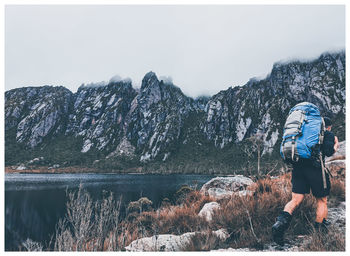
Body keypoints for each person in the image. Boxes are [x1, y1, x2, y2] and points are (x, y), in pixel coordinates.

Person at [272, 117, 339, 246]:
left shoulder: (302, 132)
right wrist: (336, 144)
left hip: (298, 168)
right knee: (322, 200)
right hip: (315, 169)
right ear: (328, 126)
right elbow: (328, 151)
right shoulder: (328, 133)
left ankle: (279, 224)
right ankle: (319, 233)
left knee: (295, 200)